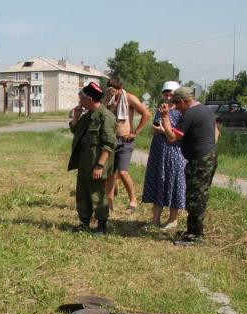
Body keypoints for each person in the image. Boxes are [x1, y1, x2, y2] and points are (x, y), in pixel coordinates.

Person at [160, 86, 220, 246]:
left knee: (195, 198)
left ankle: (195, 236)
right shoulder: (206, 110)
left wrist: (165, 117)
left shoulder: (190, 114)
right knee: (199, 195)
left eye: (176, 104)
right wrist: (206, 146)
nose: (176, 108)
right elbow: (217, 133)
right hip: (209, 156)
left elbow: (172, 137)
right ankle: (192, 230)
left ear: (183, 101)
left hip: (199, 161)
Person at [68, 82, 117, 235]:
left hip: (97, 163)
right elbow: (76, 130)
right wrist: (76, 117)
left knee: (97, 195)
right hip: (84, 162)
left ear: (89, 99)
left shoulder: (106, 117)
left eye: (81, 98)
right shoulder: (87, 116)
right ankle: (84, 223)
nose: (79, 101)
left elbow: (109, 144)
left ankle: (101, 226)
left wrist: (100, 166)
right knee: (82, 194)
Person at [141, 81, 187, 230]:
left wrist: (163, 130)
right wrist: (156, 130)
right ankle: (155, 220)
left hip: (174, 152)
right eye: (165, 94)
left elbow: (178, 134)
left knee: (173, 183)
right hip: (158, 151)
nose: (168, 97)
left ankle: (173, 220)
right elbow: (154, 128)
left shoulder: (181, 112)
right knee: (158, 182)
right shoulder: (161, 109)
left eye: (170, 94)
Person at [102, 76, 151, 213]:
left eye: (116, 89)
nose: (113, 91)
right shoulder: (107, 99)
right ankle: (109, 204)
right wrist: (106, 99)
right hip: (110, 140)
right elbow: (100, 113)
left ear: (121, 88)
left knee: (123, 172)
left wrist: (135, 132)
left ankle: (133, 201)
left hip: (125, 141)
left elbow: (146, 114)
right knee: (110, 173)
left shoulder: (129, 98)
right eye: (111, 88)